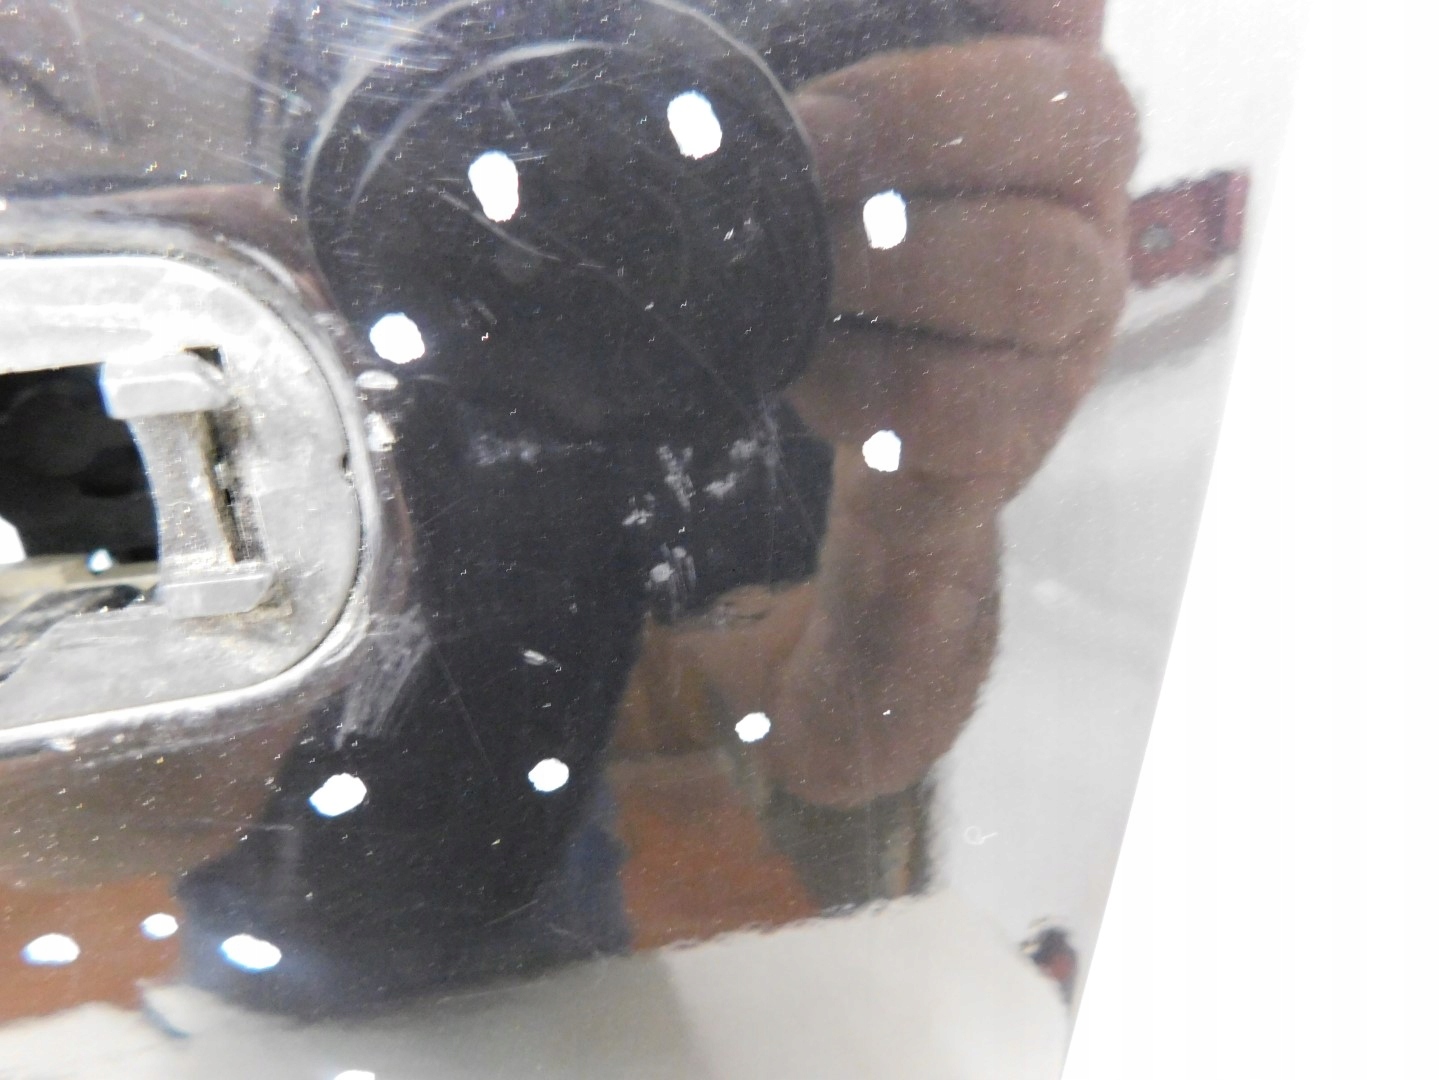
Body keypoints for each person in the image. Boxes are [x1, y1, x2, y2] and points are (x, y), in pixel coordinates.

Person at [0, 0, 1137, 1014]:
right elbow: (113, 816)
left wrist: (930, 505)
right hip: (270, 925)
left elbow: (837, 740)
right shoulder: (173, 168)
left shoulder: (691, 300)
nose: (529, 216)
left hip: (560, 894)